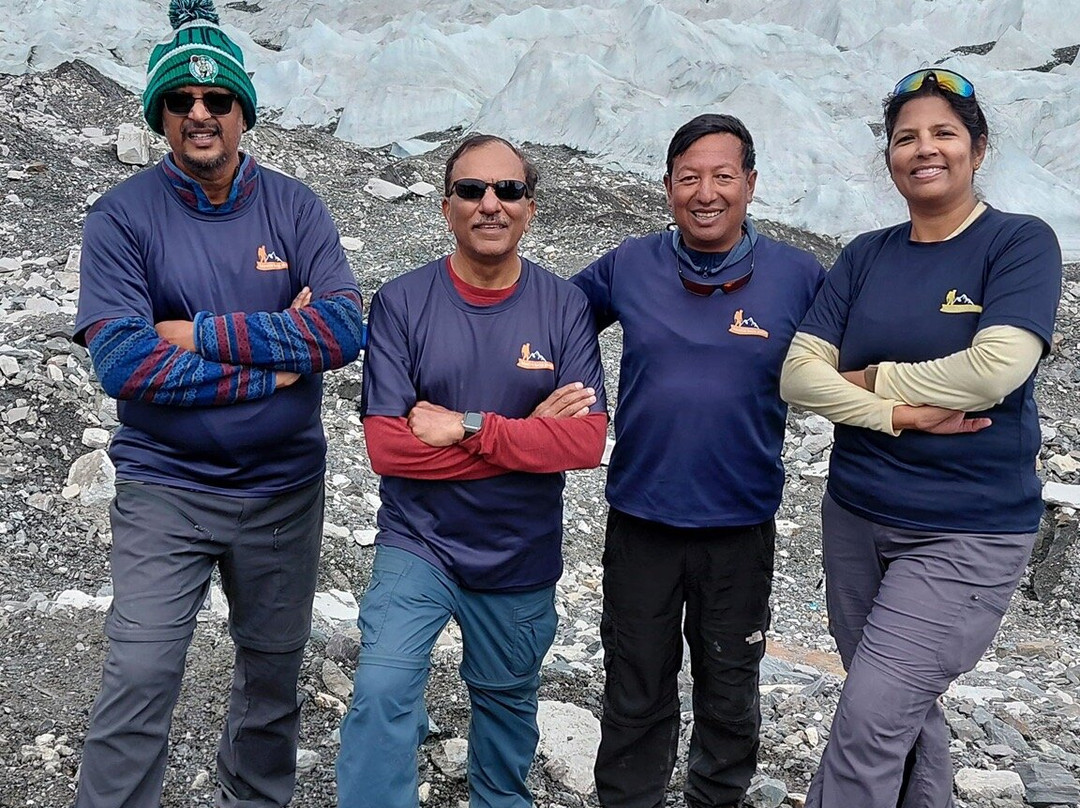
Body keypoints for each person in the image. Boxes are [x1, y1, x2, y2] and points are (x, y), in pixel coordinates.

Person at [71, 1, 366, 805]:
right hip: (167, 486)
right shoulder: (122, 216)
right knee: (140, 672)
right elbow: (125, 362)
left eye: (217, 101)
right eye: (181, 101)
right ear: (161, 113)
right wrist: (272, 364)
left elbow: (342, 327)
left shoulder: (295, 207)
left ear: (243, 112)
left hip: (282, 490)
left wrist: (197, 334)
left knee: (273, 681)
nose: (200, 115)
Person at [780, 68, 1062, 807]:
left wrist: (870, 380)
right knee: (898, 708)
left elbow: (996, 370)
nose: (923, 149)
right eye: (907, 137)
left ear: (978, 147)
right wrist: (896, 413)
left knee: (870, 717)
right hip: (857, 518)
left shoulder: (1018, 243)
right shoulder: (866, 254)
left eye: (943, 133)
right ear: (889, 156)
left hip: (965, 531)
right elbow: (799, 377)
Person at [336, 134, 608, 808]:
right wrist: (527, 435)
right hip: (418, 542)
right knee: (381, 690)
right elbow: (389, 450)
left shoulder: (563, 307)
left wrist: (468, 426)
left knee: (506, 714)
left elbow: (584, 443)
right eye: (472, 190)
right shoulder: (403, 303)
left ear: (530, 207)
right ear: (446, 205)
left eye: (508, 191)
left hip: (518, 555)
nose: (491, 204)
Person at [571, 114, 826, 808]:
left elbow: (863, 353)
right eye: (689, 177)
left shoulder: (798, 276)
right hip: (642, 521)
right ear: (667, 186)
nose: (705, 192)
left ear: (750, 184)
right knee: (635, 685)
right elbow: (551, 318)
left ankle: (718, 798)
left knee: (730, 686)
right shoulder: (630, 264)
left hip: (739, 527)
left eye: (721, 176)